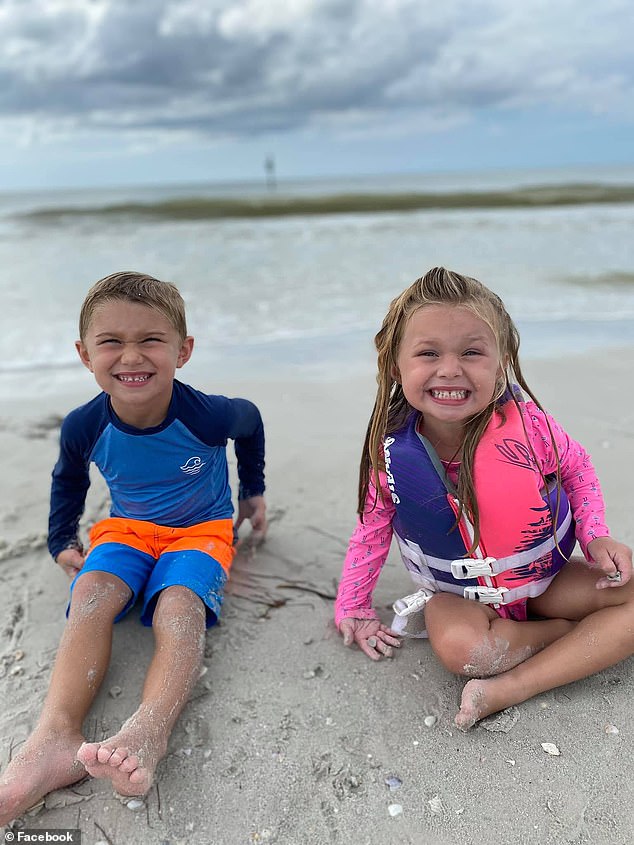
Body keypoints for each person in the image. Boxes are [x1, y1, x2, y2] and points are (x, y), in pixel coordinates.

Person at [0, 271, 266, 825]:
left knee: (177, 606)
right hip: (126, 528)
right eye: (111, 342)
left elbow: (252, 422)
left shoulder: (209, 414)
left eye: (150, 339)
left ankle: (149, 729)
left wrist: (253, 490)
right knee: (92, 590)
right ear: (83, 353)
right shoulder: (83, 425)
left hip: (203, 530)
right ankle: (52, 739)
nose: (131, 356)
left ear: (182, 350)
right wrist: (60, 540)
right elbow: (68, 480)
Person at [335, 266, 633, 730]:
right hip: (459, 596)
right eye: (428, 353)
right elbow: (371, 530)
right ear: (396, 364)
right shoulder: (389, 451)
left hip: (545, 578)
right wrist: (353, 606)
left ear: (502, 362)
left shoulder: (530, 425)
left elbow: (577, 469)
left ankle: (512, 686)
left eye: (472, 352)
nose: (450, 369)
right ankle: (577, 641)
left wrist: (596, 535)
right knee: (463, 650)